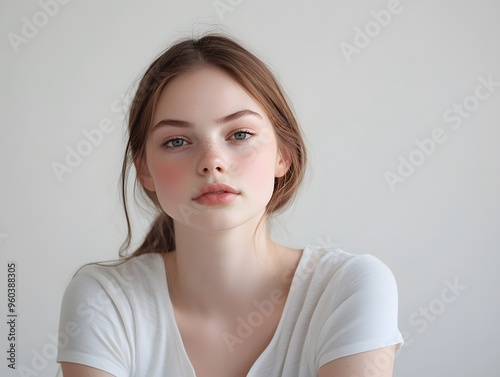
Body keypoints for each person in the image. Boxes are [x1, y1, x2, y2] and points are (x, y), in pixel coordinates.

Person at [56, 32, 404, 377]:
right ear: (144, 170)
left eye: (240, 134)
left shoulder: (348, 288)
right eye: (177, 141)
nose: (212, 162)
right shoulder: (105, 298)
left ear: (283, 154)